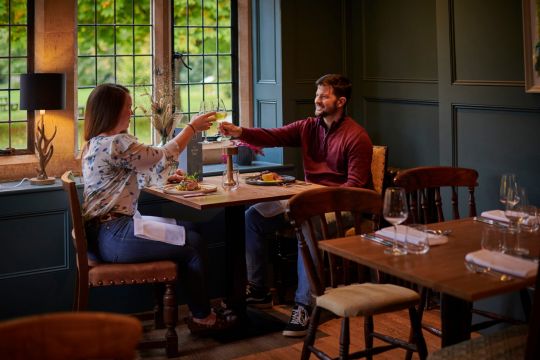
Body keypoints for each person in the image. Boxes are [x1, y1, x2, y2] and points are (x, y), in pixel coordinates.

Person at [220, 74, 373, 337]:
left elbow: (354, 190)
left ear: (341, 101)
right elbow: (273, 135)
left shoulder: (357, 137)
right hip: (308, 199)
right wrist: (239, 132)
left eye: (324, 96)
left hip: (348, 207)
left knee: (308, 223)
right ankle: (258, 289)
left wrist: (314, 199)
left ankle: (304, 305)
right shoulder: (308, 127)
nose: (317, 99)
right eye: (317, 94)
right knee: (253, 218)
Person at [81, 83, 234, 334]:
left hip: (107, 232)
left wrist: (166, 178)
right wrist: (192, 128)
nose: (131, 112)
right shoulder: (117, 142)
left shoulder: (95, 143)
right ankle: (203, 318)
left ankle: (202, 313)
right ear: (112, 110)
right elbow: (162, 155)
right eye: (127, 107)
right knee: (192, 248)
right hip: (116, 234)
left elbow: (137, 174)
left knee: (193, 230)